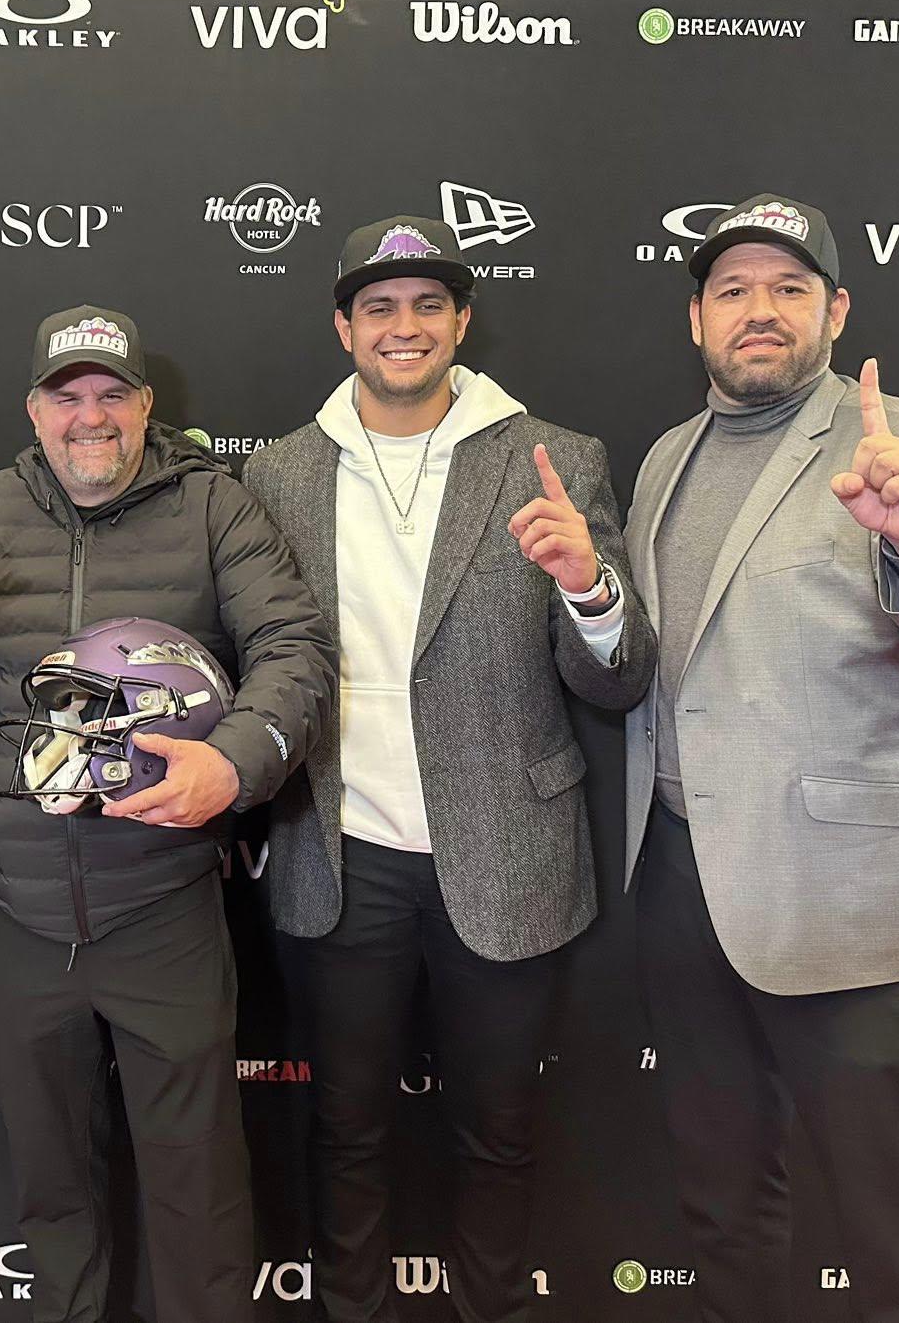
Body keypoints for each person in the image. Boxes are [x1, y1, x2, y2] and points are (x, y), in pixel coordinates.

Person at [0, 304, 335, 1323]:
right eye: (67, 395)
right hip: (17, 910)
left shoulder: (214, 507)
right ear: (34, 411)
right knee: (52, 1191)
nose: (91, 416)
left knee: (198, 1193)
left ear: (145, 405)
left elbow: (294, 651)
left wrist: (234, 762)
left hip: (162, 904)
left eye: (111, 394)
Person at [623, 194, 899, 1323]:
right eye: (731, 289)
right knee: (722, 1214)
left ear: (836, 310)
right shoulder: (664, 460)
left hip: (859, 895)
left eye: (788, 287)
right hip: (684, 885)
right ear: (697, 319)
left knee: (892, 1238)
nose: (757, 309)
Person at [245, 215, 656, 1322]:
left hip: (508, 851)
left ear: (462, 322)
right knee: (344, 1128)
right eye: (378, 307)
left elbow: (618, 681)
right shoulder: (278, 472)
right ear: (343, 328)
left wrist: (590, 587)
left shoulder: (554, 458)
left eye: (429, 305)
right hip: (338, 853)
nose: (405, 326)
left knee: (499, 1132)